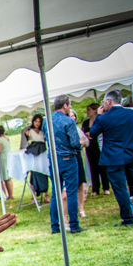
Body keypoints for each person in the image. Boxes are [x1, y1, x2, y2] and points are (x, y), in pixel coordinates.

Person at [87, 90, 133, 226]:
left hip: (113, 158)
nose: (103, 106)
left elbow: (93, 134)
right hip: (132, 155)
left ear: (109, 101)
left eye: (104, 102)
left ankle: (128, 218)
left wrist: (98, 116)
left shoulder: (104, 117)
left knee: (120, 188)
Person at [41, 95, 84, 234]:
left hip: (54, 160)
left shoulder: (46, 121)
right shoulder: (68, 121)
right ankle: (74, 225)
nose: (70, 107)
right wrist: (81, 144)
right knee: (71, 192)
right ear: (65, 105)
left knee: (55, 193)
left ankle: (55, 226)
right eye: (69, 104)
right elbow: (75, 143)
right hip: (67, 159)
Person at [81, 103, 109, 196]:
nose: (87, 111)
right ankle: (95, 189)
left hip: (99, 145)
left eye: (89, 109)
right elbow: (82, 133)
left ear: (95, 110)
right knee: (93, 167)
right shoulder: (85, 123)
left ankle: (106, 187)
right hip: (89, 146)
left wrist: (93, 134)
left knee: (102, 167)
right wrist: (87, 135)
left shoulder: (100, 120)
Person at [22, 114, 50, 203]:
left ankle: (46, 194)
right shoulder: (29, 131)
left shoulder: (43, 131)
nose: (37, 123)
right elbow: (27, 143)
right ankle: (33, 196)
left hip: (42, 154)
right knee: (33, 174)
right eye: (36, 121)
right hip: (34, 155)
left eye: (39, 122)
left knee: (44, 173)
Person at [69, 109, 90, 218]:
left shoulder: (77, 129)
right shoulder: (64, 129)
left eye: (74, 116)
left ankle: (81, 209)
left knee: (80, 184)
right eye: (70, 116)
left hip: (77, 156)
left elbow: (86, 142)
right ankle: (70, 210)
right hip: (68, 158)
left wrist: (81, 143)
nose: (73, 118)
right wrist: (79, 143)